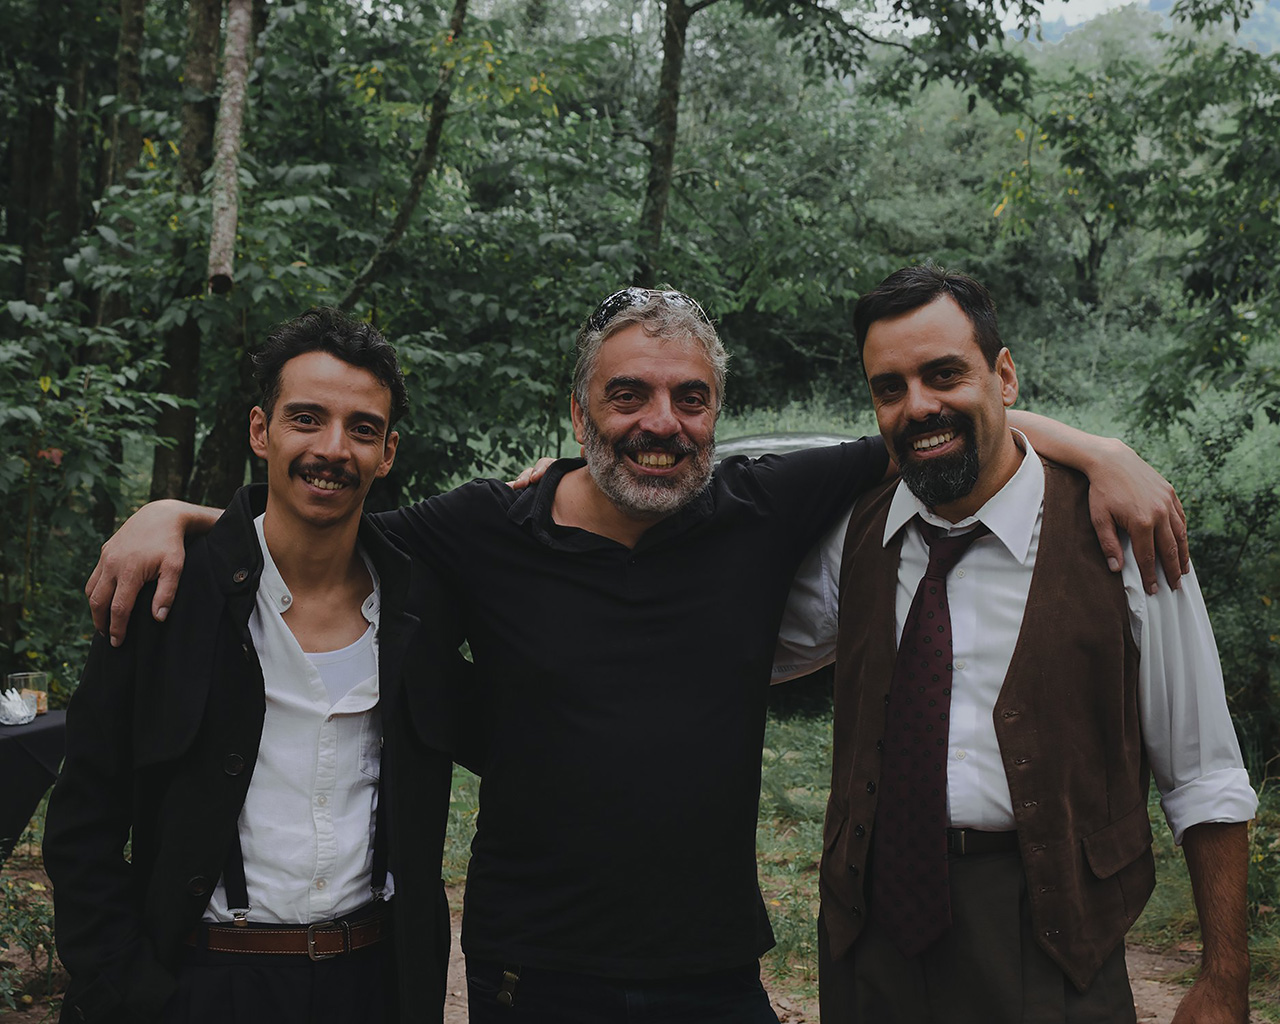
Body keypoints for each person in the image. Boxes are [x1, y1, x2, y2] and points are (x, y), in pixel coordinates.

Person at [83, 287, 1187, 1024]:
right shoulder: (481, 531)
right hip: (529, 974)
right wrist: (177, 516)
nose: (660, 423)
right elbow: (322, 518)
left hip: (713, 972)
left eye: (688, 399)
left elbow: (937, 424)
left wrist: (1100, 450)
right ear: (578, 413)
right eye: (628, 396)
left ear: (716, 414)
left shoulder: (761, 506)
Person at [776, 264, 1257, 1023]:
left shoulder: (1125, 533)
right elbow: (739, 649)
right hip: (868, 944)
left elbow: (1204, 773)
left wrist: (1225, 976)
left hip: (1055, 940)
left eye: (944, 374)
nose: (918, 405)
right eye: (890, 387)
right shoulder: (858, 534)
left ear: (1004, 376)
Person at [44, 309, 473, 1024]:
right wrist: (129, 988)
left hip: (373, 982)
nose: (332, 449)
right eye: (306, 418)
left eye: (362, 429)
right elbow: (82, 820)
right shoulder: (170, 597)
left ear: (388, 452)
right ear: (260, 430)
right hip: (203, 983)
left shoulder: (419, 607)